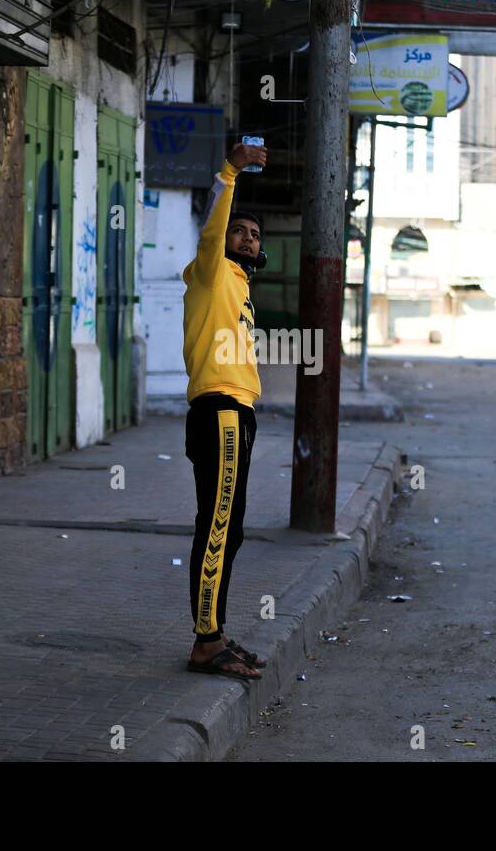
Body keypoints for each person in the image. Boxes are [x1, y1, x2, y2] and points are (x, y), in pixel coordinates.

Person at [182, 141, 269, 681]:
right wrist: (230, 171)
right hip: (220, 412)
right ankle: (206, 643)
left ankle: (213, 631)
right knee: (217, 527)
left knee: (229, 530)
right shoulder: (210, 270)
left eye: (255, 234)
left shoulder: (239, 287)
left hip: (238, 412)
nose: (247, 237)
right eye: (242, 230)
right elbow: (214, 229)